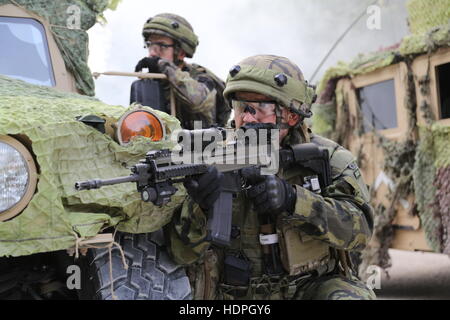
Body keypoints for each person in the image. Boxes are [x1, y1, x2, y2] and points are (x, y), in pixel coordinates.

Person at [167, 55, 376, 300]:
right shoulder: (209, 154)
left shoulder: (329, 158)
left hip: (308, 289)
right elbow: (180, 254)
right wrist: (199, 207)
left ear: (292, 115)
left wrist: (294, 200)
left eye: (258, 108)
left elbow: (360, 233)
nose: (246, 118)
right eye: (240, 107)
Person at [134, 13, 230, 129]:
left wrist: (163, 65)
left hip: (203, 144)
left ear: (181, 53)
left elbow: (198, 101)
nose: (153, 53)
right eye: (150, 44)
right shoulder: (150, 83)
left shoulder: (201, 78)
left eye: (162, 45)